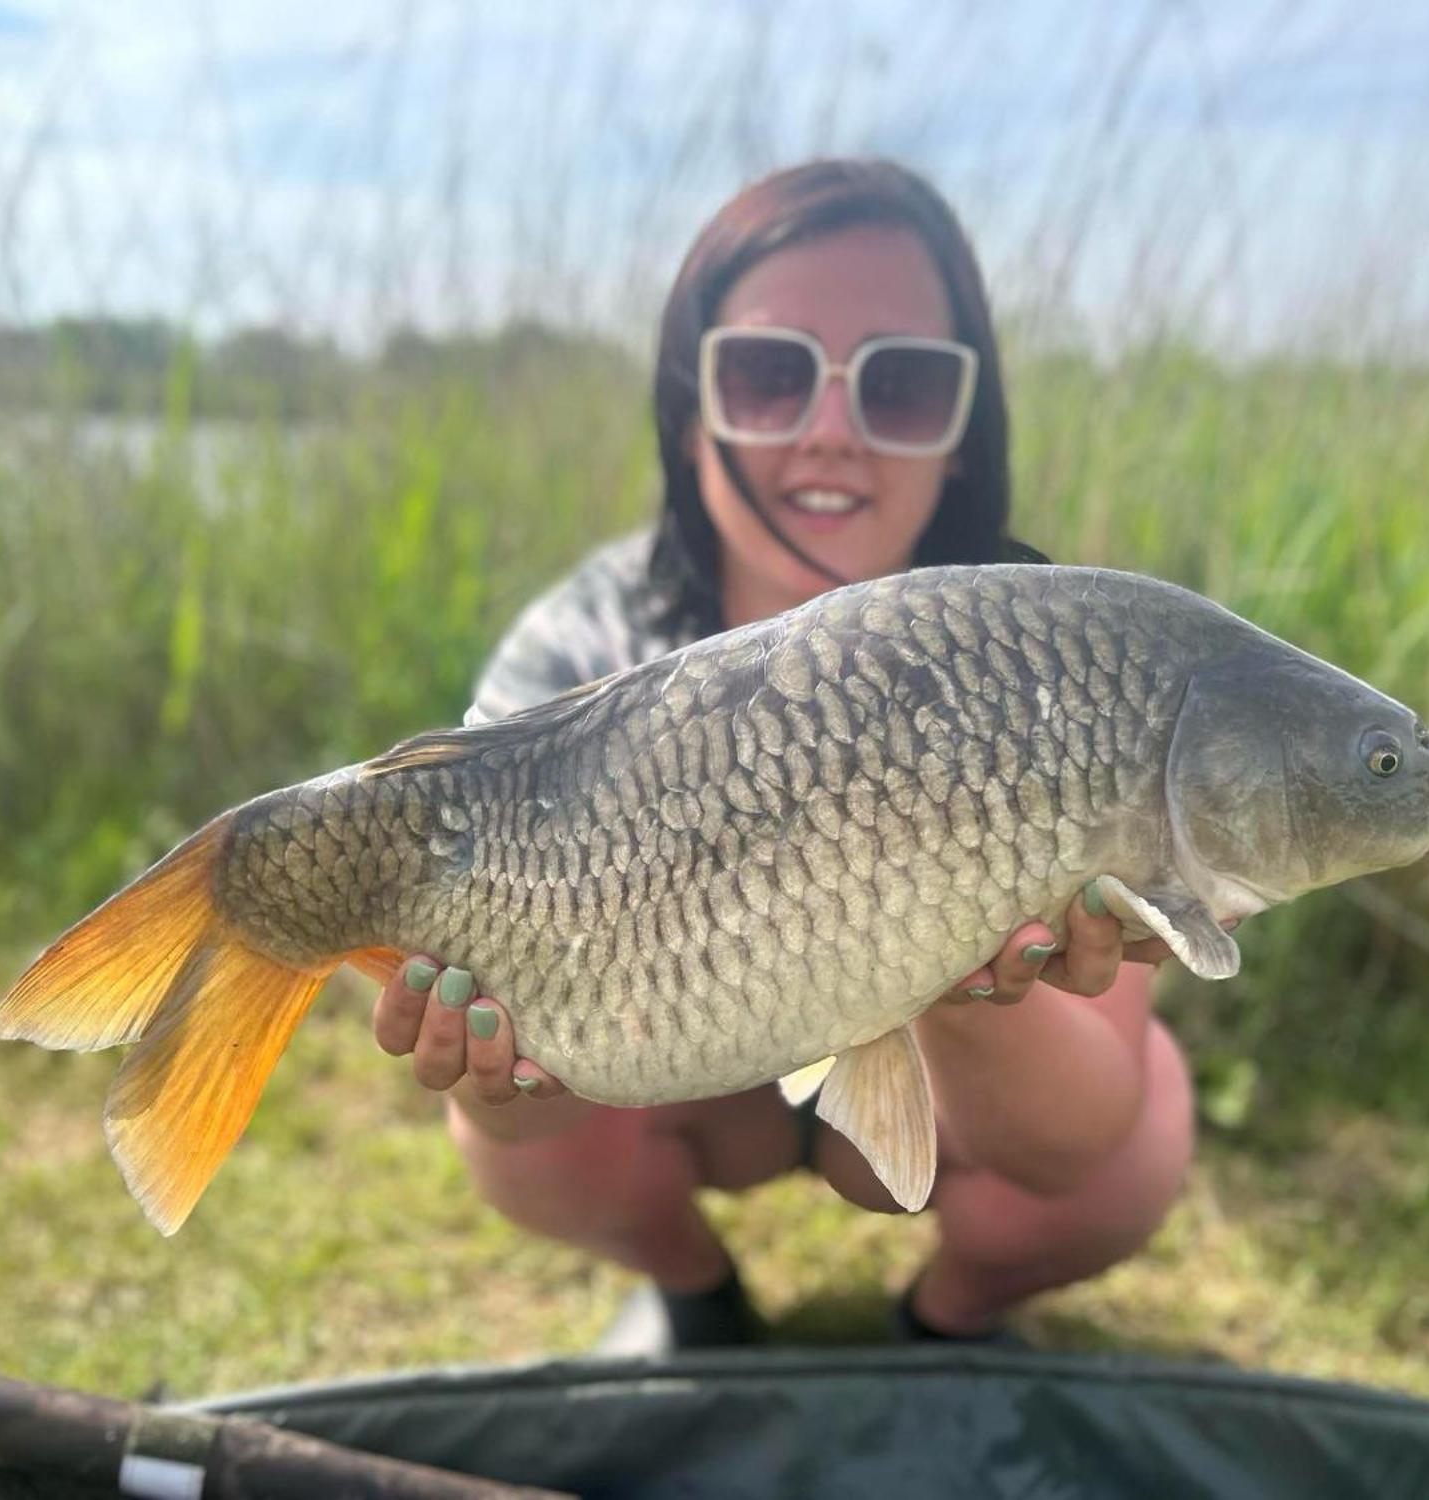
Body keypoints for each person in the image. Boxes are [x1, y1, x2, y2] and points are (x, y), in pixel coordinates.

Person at [370, 159, 1193, 1351]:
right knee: (504, 1142)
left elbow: (1075, 1128)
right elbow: (518, 1119)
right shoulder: (583, 644)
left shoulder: (1052, 653)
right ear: (689, 412)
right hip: (684, 1065)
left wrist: (964, 966)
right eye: (767, 375)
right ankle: (695, 1297)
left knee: (1134, 1142)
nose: (829, 433)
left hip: (938, 1087)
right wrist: (501, 1089)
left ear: (961, 435)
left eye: (900, 388)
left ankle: (945, 1325)